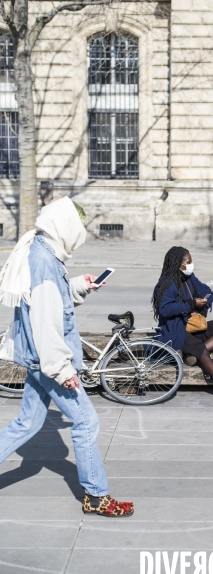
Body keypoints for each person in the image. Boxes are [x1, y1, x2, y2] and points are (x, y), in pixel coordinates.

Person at [0, 197, 133, 517]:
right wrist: (61, 369)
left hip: (36, 359)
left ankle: (95, 493)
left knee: (26, 423)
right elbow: (46, 320)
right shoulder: (45, 261)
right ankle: (96, 495)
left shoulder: (41, 250)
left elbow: (49, 301)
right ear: (65, 228)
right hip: (48, 362)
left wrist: (79, 286)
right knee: (86, 421)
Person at [152, 246, 213, 401]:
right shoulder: (167, 283)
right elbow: (164, 309)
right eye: (188, 261)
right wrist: (191, 304)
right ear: (178, 264)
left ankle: (194, 355)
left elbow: (206, 291)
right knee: (203, 352)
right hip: (176, 330)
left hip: (193, 325)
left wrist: (205, 301)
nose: (192, 264)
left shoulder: (189, 278)